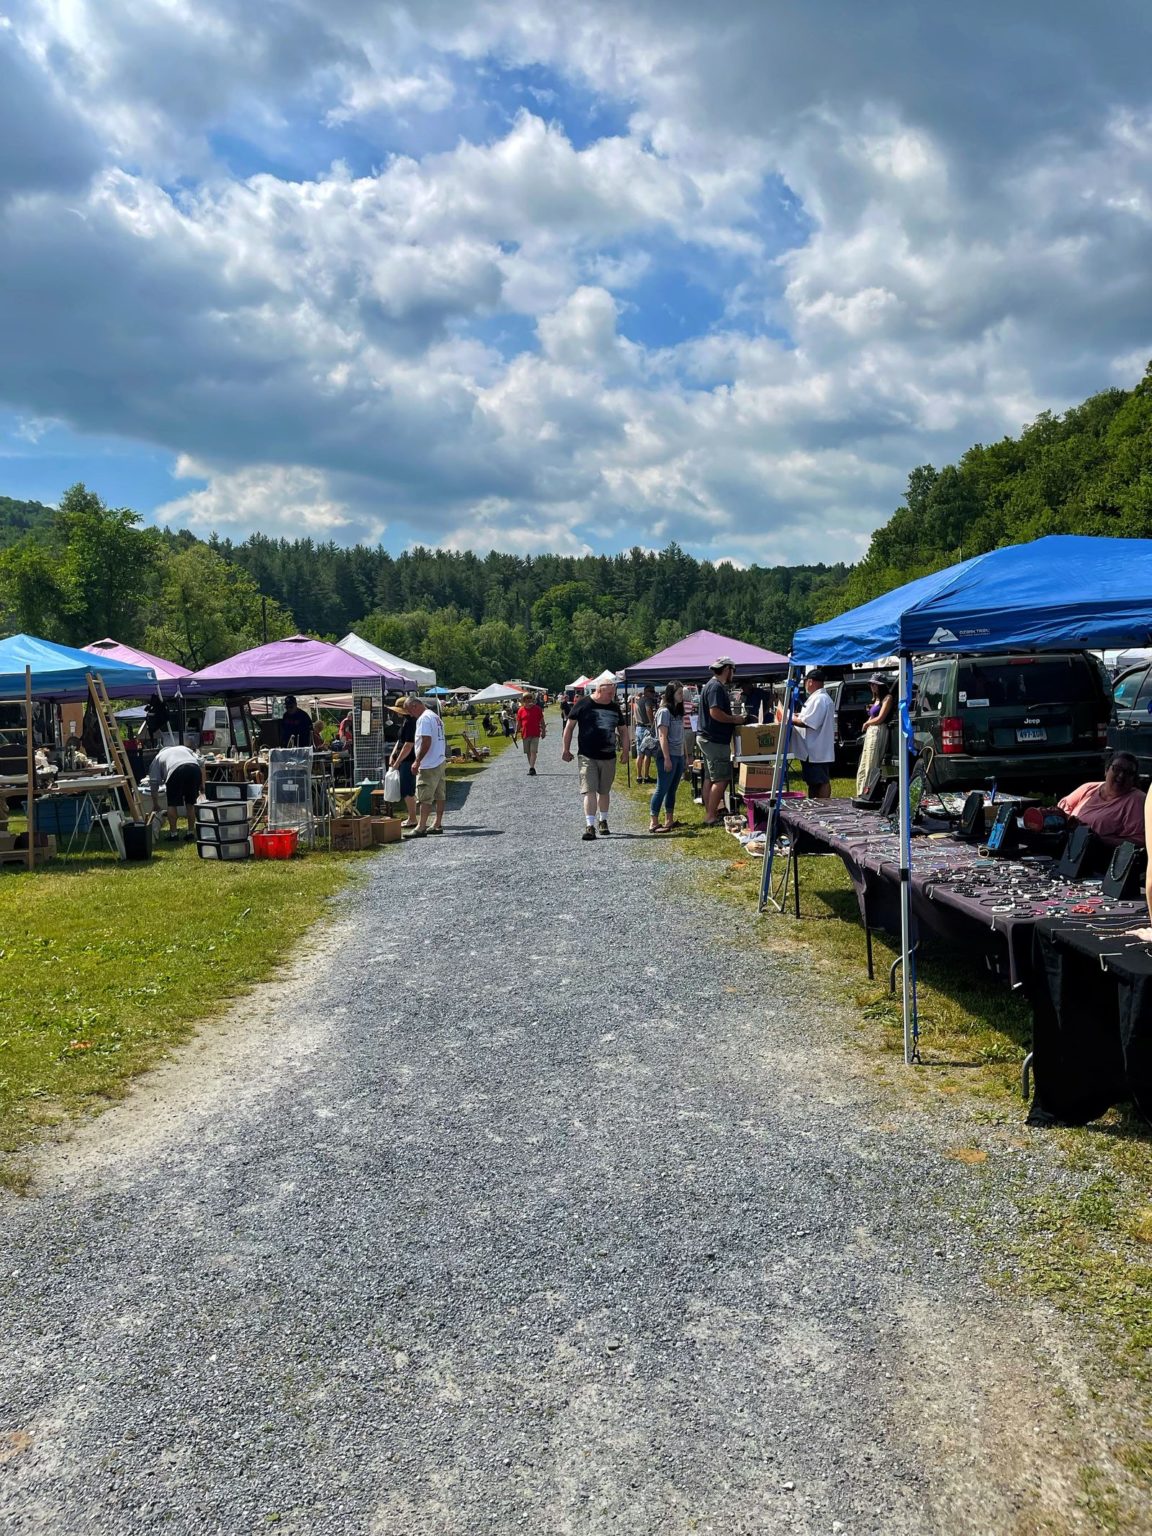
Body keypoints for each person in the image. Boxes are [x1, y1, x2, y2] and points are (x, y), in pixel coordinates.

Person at [562, 672, 629, 840]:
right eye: (609, 693)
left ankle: (603, 821)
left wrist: (626, 751)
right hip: (587, 755)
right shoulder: (583, 704)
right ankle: (590, 825)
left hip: (608, 756)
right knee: (589, 790)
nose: (612, 696)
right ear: (599, 690)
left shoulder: (614, 707)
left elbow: (623, 730)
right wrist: (566, 749)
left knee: (604, 790)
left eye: (613, 693)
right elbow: (569, 727)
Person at [1058, 753, 1145, 847]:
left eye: (1129, 773)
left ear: (1133, 778)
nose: (1121, 775)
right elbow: (1061, 811)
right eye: (1117, 769)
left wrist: (1096, 839)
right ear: (1106, 770)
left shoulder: (1137, 800)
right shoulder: (1089, 788)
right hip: (1067, 845)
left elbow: (1140, 841)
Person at [699, 657, 742, 827]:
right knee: (722, 778)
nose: (733, 674)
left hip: (709, 738)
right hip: (715, 739)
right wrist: (734, 719)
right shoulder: (716, 687)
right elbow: (715, 712)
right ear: (727, 669)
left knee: (710, 777)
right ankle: (711, 815)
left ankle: (710, 812)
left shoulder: (711, 685)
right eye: (733, 670)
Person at [405, 695, 448, 837]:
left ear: (415, 706)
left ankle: (421, 827)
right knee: (440, 794)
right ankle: (437, 824)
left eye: (410, 711)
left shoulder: (423, 719)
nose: (411, 715)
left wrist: (417, 761)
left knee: (424, 796)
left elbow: (426, 741)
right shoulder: (435, 717)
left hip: (429, 764)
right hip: (439, 760)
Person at [649, 681, 687, 834]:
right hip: (667, 755)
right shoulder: (664, 712)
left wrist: (685, 756)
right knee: (662, 788)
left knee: (672, 789)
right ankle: (653, 822)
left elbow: (682, 735)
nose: (682, 696)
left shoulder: (678, 711)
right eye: (679, 693)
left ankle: (669, 820)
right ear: (672, 694)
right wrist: (666, 758)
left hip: (679, 754)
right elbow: (662, 736)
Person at [792, 670, 836, 799]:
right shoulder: (818, 698)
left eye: (806, 681)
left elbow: (808, 722)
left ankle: (823, 804)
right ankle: (814, 803)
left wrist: (790, 719)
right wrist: (798, 715)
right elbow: (809, 717)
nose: (805, 685)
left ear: (810, 682)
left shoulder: (820, 699)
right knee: (813, 782)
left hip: (816, 750)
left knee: (821, 781)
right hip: (812, 750)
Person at [147, 742, 203, 840]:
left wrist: (155, 803)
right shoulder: (184, 748)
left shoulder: (158, 758)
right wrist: (203, 785)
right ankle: (190, 832)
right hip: (194, 768)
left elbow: (153, 782)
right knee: (191, 803)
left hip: (175, 770)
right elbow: (202, 762)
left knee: (172, 804)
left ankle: (174, 834)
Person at [856, 673, 895, 797]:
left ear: (881, 685)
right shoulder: (876, 699)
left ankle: (868, 793)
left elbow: (880, 718)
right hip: (871, 731)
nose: (872, 686)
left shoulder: (887, 698)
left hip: (878, 730)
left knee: (871, 764)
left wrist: (867, 723)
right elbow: (873, 715)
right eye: (871, 684)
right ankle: (860, 792)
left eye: (874, 684)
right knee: (863, 764)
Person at [387, 695, 419, 828]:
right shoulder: (406, 722)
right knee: (405, 788)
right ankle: (411, 816)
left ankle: (412, 818)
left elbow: (408, 745)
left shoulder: (411, 723)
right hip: (404, 759)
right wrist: (392, 754)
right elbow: (400, 741)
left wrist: (397, 762)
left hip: (408, 759)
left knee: (407, 789)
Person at [517, 692, 546, 776]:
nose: (529, 700)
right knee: (528, 752)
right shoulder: (521, 710)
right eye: (527, 698)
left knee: (533, 751)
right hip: (525, 733)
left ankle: (532, 768)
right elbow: (519, 723)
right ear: (524, 700)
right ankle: (531, 767)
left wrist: (543, 731)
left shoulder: (537, 709)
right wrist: (516, 732)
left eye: (530, 698)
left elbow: (542, 721)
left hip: (535, 733)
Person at [634, 685, 658, 783]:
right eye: (651, 692)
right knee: (647, 754)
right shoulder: (648, 700)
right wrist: (652, 724)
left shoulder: (638, 701)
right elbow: (648, 710)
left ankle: (639, 776)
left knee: (640, 754)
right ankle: (646, 776)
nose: (653, 694)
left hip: (638, 728)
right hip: (646, 729)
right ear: (646, 692)